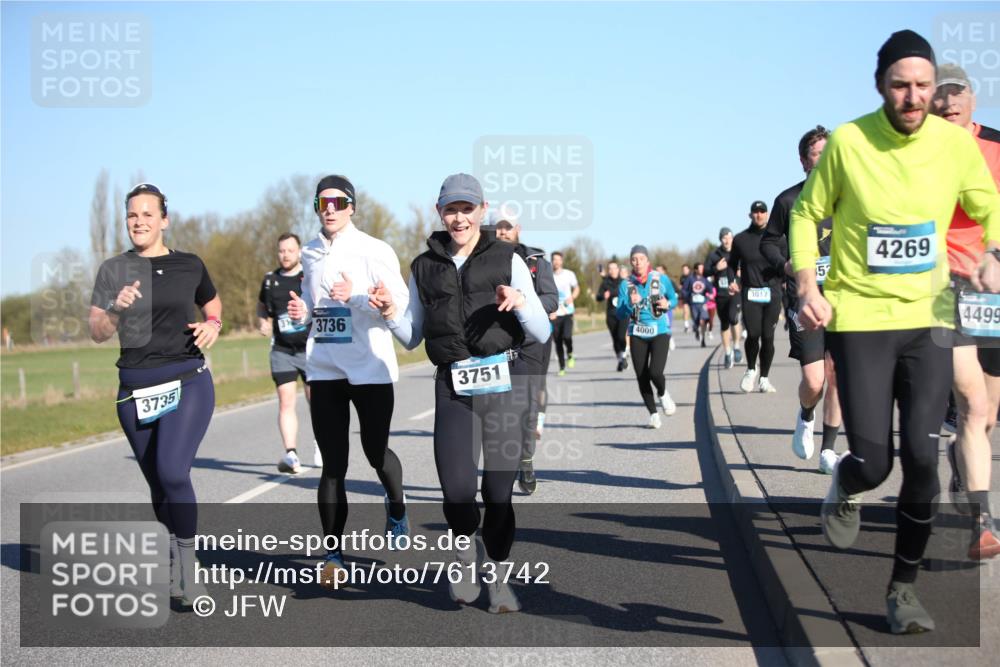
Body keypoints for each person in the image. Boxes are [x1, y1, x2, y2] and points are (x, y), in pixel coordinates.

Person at [792, 30, 1000, 633]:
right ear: (880, 85)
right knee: (875, 461)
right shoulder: (850, 141)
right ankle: (847, 480)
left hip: (929, 317)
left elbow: (989, 204)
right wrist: (807, 285)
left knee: (924, 460)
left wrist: (993, 251)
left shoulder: (953, 145)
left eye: (922, 86)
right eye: (901, 85)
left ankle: (902, 590)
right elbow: (807, 213)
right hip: (860, 319)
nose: (913, 97)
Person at [379, 173, 550, 613]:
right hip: (453, 386)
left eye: (467, 209)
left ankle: (498, 578)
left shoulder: (508, 258)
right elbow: (412, 336)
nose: (459, 218)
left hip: (504, 384)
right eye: (451, 210)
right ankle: (463, 554)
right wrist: (390, 313)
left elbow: (542, 330)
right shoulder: (423, 266)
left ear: (482, 210)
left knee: (498, 494)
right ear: (439, 212)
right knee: (456, 492)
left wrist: (521, 302)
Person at [88, 183, 220, 606]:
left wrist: (212, 325)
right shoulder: (113, 270)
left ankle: (188, 568)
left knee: (173, 472)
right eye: (132, 215)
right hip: (134, 391)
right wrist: (116, 308)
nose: (139, 221)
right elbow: (97, 331)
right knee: (158, 483)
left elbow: (212, 304)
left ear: (164, 220)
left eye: (148, 214)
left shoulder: (189, 264)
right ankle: (175, 560)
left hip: (187, 380)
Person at [286, 175, 410, 587]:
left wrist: (358, 295)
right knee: (333, 464)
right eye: (322, 202)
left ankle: (396, 504)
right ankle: (333, 555)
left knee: (375, 452)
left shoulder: (375, 249)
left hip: (370, 369)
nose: (330, 209)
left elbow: (397, 305)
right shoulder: (309, 253)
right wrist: (302, 313)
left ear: (352, 207)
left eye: (338, 202)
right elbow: (313, 306)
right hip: (325, 369)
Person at [930, 63, 1000, 560]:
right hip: (946, 285)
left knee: (989, 412)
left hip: (992, 288)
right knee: (973, 403)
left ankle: (961, 462)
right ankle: (981, 523)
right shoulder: (920, 151)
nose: (949, 102)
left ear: (972, 99)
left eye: (957, 93)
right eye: (941, 95)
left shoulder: (996, 146)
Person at [760, 126, 844, 474]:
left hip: (843, 299)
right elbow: (768, 242)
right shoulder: (788, 200)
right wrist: (786, 265)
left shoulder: (848, 195)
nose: (823, 159)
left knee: (835, 375)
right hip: (805, 300)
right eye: (816, 153)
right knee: (814, 381)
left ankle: (829, 449)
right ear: (803, 161)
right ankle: (806, 414)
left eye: (828, 152)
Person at [494, 210, 559, 495]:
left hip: (530, 341)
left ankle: (526, 459)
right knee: (496, 406)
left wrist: (522, 304)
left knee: (527, 404)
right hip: (495, 341)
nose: (503, 232)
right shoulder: (482, 260)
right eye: (498, 227)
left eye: (507, 227)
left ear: (517, 228)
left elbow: (552, 300)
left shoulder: (536, 262)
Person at [257, 233, 321, 474]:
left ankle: (321, 444)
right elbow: (262, 306)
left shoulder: (308, 276)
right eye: (281, 251)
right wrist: (263, 321)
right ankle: (291, 454)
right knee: (285, 401)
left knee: (316, 401)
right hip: (282, 350)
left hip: (309, 349)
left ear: (299, 252)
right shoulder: (270, 280)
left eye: (290, 250)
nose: (285, 255)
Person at [616, 245, 678, 428]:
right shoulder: (625, 285)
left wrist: (668, 304)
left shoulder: (661, 279)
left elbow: (674, 298)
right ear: (630, 262)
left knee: (655, 372)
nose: (638, 263)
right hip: (637, 333)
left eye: (641, 259)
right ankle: (653, 414)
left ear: (647, 261)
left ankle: (663, 393)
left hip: (660, 331)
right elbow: (619, 313)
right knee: (642, 375)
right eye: (634, 259)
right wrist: (629, 304)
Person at [729, 201, 785, 393]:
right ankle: (751, 369)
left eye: (762, 211)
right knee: (753, 334)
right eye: (755, 212)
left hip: (773, 293)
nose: (759, 215)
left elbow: (787, 263)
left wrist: (787, 280)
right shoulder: (740, 239)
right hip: (750, 293)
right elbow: (731, 264)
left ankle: (764, 379)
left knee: (768, 337)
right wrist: (732, 280)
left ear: (767, 214)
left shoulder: (779, 239)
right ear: (750, 215)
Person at [706, 228, 744, 368]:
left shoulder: (739, 252)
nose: (727, 240)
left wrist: (741, 274)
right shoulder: (714, 255)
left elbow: (749, 266)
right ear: (720, 239)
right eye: (724, 238)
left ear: (733, 238)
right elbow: (705, 272)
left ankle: (737, 346)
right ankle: (728, 353)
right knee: (724, 324)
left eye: (729, 237)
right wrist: (716, 268)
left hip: (735, 292)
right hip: (721, 294)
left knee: (734, 318)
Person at [596, 261, 629, 370]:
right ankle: (620, 360)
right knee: (615, 339)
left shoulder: (623, 282)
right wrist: (603, 296)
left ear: (618, 269)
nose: (612, 270)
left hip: (623, 313)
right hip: (611, 314)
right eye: (610, 268)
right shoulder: (605, 283)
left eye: (614, 268)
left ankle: (623, 355)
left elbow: (626, 292)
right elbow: (598, 297)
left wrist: (611, 293)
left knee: (621, 336)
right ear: (608, 270)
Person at [550, 252, 579, 376]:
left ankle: (570, 353)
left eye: (558, 259)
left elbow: (577, 288)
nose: (556, 262)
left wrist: (571, 298)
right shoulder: (548, 276)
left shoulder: (569, 274)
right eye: (554, 259)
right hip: (554, 313)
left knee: (567, 336)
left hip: (567, 311)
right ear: (551, 261)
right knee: (558, 341)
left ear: (562, 261)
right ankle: (562, 367)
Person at [682, 263, 714, 348]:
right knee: (696, 321)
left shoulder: (705, 279)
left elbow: (710, 290)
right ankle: (696, 330)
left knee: (703, 321)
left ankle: (703, 339)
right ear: (696, 270)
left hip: (703, 303)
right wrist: (689, 297)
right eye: (700, 268)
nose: (702, 270)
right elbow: (684, 290)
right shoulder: (690, 279)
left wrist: (708, 297)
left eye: (703, 268)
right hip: (693, 304)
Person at [679, 264, 693, 334]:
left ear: (689, 269)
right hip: (685, 297)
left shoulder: (692, 276)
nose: (684, 271)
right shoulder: (682, 277)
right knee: (685, 311)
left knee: (693, 312)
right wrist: (680, 298)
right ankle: (686, 326)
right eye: (683, 270)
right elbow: (681, 287)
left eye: (685, 269)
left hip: (692, 297)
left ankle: (695, 325)